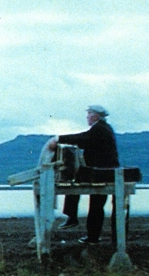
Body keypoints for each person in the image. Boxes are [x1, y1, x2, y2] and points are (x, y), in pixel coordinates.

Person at [46, 105, 119, 244]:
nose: (87, 116)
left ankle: (72, 216)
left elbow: (83, 138)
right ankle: (91, 235)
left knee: (74, 180)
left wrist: (58, 139)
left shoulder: (99, 129)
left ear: (96, 116)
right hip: (107, 171)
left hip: (102, 172)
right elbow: (85, 140)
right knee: (97, 205)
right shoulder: (104, 128)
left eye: (89, 113)